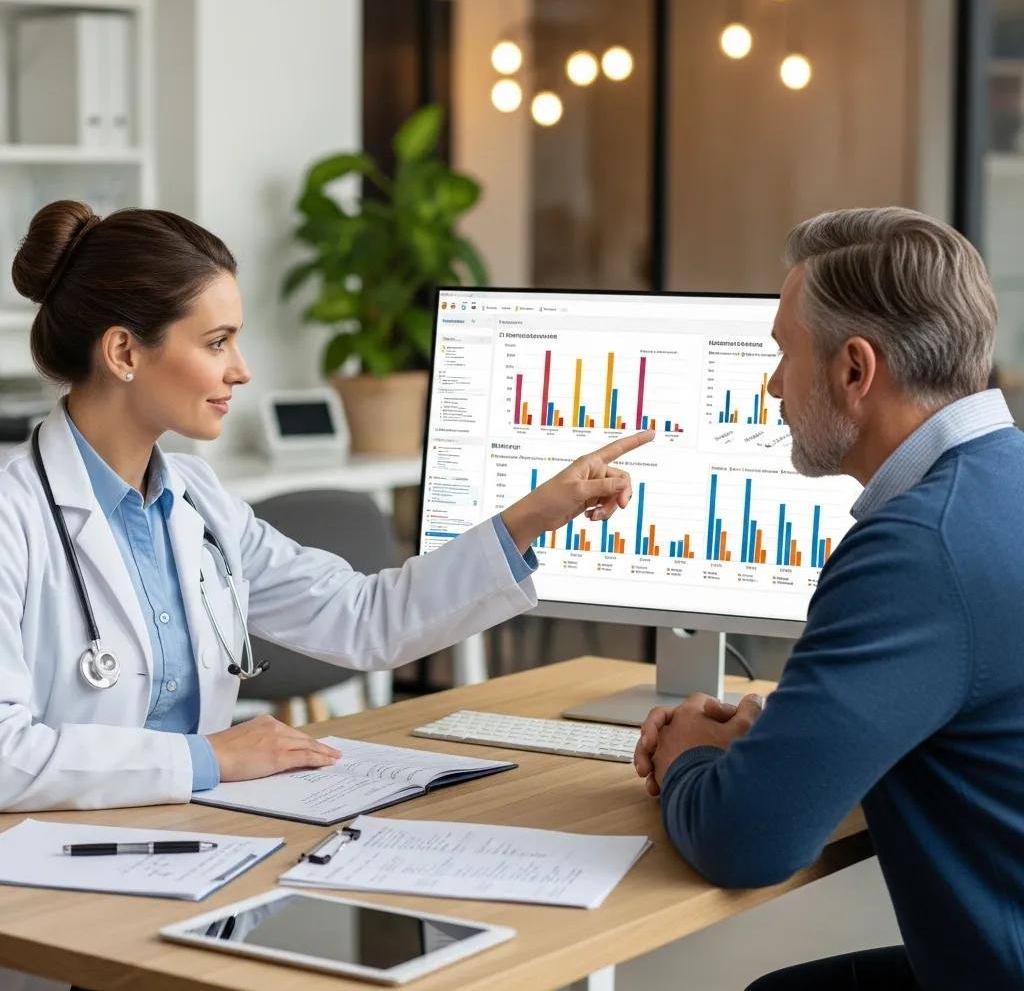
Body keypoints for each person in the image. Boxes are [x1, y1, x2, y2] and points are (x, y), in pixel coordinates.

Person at [0, 198, 653, 816]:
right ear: (124, 353)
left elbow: (363, 618)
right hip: (50, 858)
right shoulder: (14, 513)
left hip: (191, 835)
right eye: (217, 342)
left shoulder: (197, 502)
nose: (242, 370)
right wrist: (206, 757)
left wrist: (535, 513)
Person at [633, 207, 1024, 990]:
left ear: (854, 369)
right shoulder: (1001, 482)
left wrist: (687, 759)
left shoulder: (917, 549)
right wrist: (778, 737)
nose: (773, 384)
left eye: (784, 353)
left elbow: (749, 842)